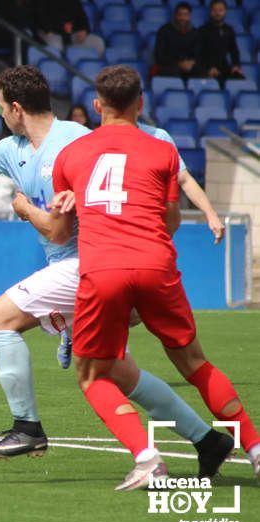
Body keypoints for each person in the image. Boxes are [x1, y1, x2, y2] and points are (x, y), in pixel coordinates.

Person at [0, 66, 234, 477]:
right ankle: (207, 440)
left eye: (2, 106)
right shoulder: (11, 148)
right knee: (120, 373)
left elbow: (67, 229)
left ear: (17, 108)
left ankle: (27, 427)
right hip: (76, 268)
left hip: (90, 262)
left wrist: (27, 211)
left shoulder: (75, 141)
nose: (0, 114)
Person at [48, 64, 260, 488]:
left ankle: (147, 458)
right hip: (155, 264)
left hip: (102, 270)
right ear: (140, 104)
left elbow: (59, 233)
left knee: (93, 374)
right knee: (195, 364)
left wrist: (46, 210)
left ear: (96, 106)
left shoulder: (69, 156)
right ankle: (255, 449)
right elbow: (170, 218)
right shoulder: (163, 152)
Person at [197, 0, 244, 84]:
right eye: (214, 10)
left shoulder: (229, 30)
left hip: (224, 68)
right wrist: (208, 68)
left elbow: (234, 51)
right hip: (207, 68)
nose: (217, 13)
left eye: (220, 10)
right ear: (210, 12)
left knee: (239, 78)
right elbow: (198, 54)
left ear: (225, 12)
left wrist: (236, 65)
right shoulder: (202, 31)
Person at [153, 2, 202, 79]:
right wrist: (179, 64)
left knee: (202, 72)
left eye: (185, 15)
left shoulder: (195, 33)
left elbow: (198, 53)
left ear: (189, 16)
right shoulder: (164, 31)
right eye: (180, 14)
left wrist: (191, 62)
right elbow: (159, 56)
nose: (182, 18)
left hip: (189, 67)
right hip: (169, 67)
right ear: (175, 15)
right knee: (172, 72)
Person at [36, 0, 104, 54]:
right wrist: (48, 31)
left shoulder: (74, 1)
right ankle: (58, 70)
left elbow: (83, 18)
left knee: (98, 42)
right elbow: (41, 18)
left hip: (72, 36)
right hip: (51, 34)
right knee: (56, 46)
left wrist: (84, 30)